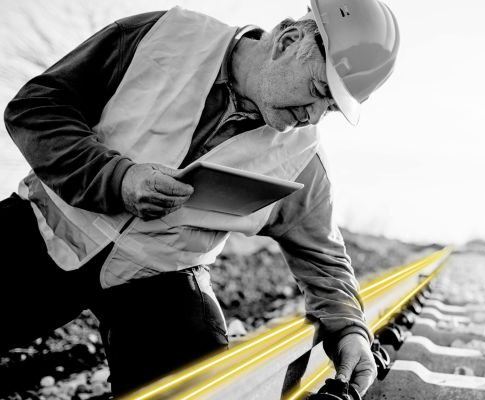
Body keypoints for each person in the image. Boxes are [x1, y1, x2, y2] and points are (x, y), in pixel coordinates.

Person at [1, 0, 399, 396]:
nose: (312, 116)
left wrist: (350, 328)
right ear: (289, 39)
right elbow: (35, 108)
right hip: (42, 231)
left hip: (159, 281)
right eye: (317, 90)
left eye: (328, 108)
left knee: (197, 379)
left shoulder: (303, 159)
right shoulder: (162, 36)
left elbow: (323, 255)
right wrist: (117, 178)